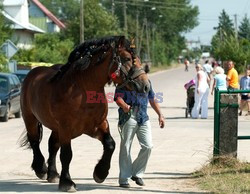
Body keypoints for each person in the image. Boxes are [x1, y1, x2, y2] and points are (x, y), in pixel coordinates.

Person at [114, 81, 165, 188]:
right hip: (128, 116)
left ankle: (137, 174)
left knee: (148, 146)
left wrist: (160, 114)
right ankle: (124, 178)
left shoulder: (146, 82)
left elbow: (152, 98)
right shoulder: (123, 82)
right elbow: (117, 98)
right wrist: (124, 106)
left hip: (143, 117)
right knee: (126, 147)